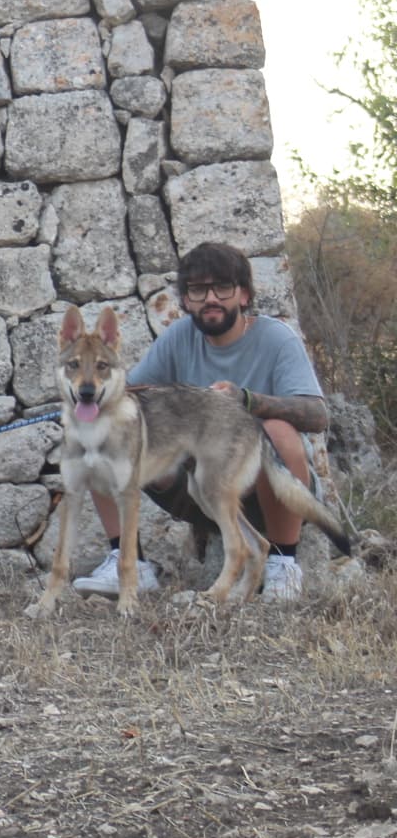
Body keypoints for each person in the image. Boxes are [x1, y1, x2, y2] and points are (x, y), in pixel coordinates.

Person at [73, 241, 329, 602]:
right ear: (185, 300)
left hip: (270, 487)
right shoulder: (179, 337)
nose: (210, 298)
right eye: (197, 289)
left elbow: (317, 415)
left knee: (277, 431)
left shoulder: (276, 339)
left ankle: (283, 561)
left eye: (222, 287)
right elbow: (130, 394)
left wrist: (247, 400)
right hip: (202, 489)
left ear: (244, 294)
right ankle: (129, 563)